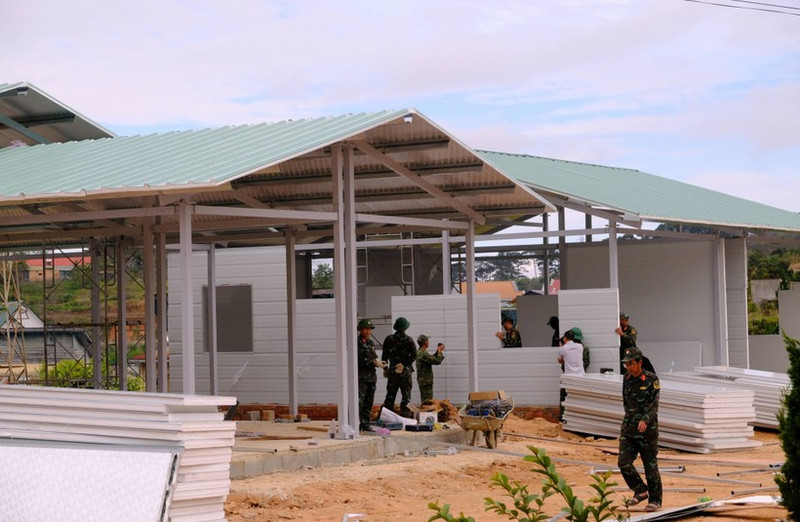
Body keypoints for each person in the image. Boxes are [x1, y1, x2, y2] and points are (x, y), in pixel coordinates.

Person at [618, 346, 662, 513]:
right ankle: (640, 490)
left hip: (647, 432)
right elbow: (626, 402)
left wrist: (645, 419)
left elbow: (654, 405)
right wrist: (630, 420)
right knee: (623, 463)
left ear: (639, 362)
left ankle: (655, 500)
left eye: (631, 364)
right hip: (629, 429)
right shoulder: (626, 378)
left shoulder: (652, 379)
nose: (628, 367)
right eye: (626, 364)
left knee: (650, 466)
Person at [381, 316, 417, 418]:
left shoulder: (389, 339)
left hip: (393, 372)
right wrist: (405, 363)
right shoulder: (409, 340)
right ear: (405, 328)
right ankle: (405, 418)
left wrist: (385, 369)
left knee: (390, 396)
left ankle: (386, 418)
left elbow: (384, 357)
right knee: (406, 397)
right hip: (405, 372)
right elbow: (414, 355)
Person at [356, 318, 386, 431]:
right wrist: (373, 362)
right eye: (366, 329)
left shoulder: (370, 342)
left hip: (371, 377)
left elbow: (373, 357)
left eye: (370, 329)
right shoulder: (357, 343)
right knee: (360, 401)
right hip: (362, 377)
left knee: (369, 401)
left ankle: (365, 423)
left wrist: (379, 362)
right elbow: (359, 359)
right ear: (361, 330)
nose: (369, 331)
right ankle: (355, 422)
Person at [557, 329, 584, 421]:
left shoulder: (563, 349)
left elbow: (560, 360)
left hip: (569, 377)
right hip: (580, 376)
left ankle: (563, 417)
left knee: (564, 396)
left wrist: (561, 346)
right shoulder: (580, 346)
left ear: (565, 338)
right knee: (578, 397)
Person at [415, 334, 445, 403]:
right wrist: (440, 351)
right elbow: (436, 361)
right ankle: (426, 414)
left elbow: (431, 358)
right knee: (427, 402)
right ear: (425, 342)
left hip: (424, 381)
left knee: (425, 401)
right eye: (427, 340)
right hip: (425, 381)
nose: (428, 342)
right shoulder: (422, 353)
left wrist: (438, 351)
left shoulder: (421, 352)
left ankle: (426, 413)